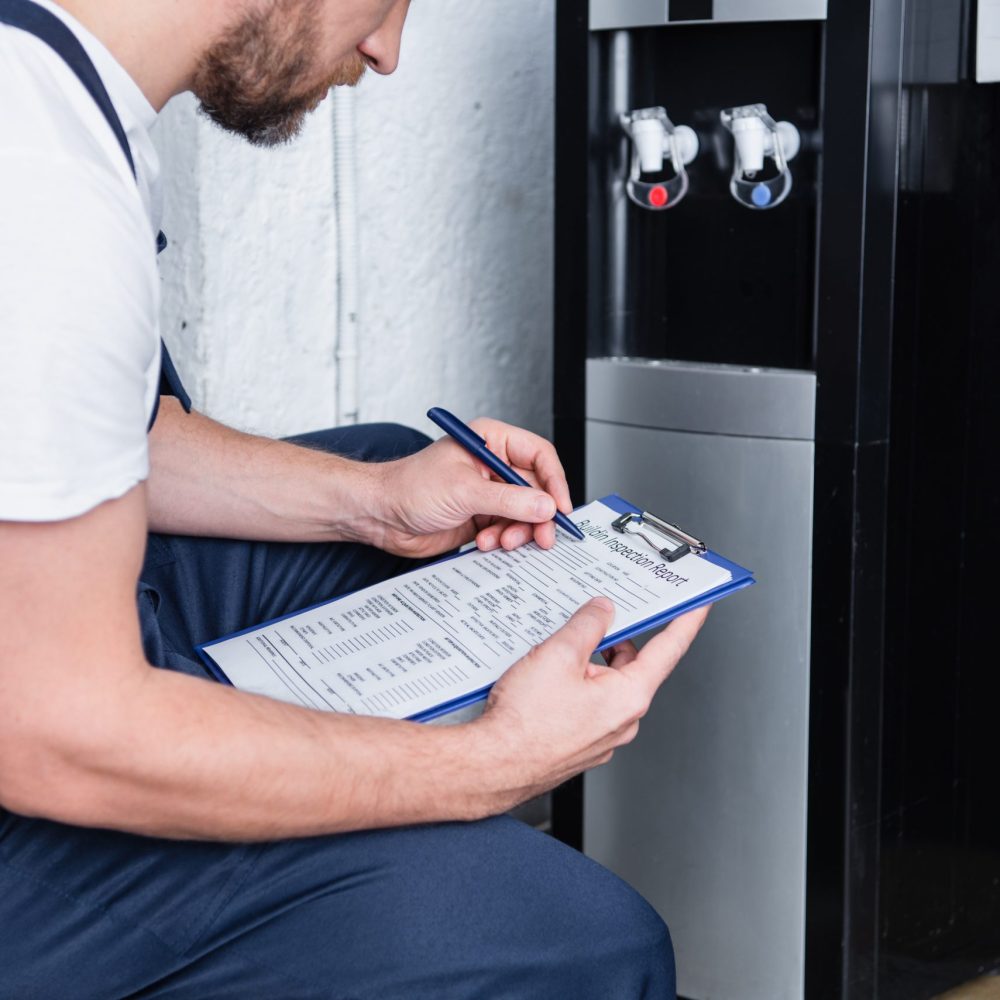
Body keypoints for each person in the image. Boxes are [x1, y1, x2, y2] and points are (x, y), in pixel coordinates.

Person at [0, 0, 708, 995]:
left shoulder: (52, 81)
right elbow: (58, 736)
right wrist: (489, 764)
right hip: (33, 780)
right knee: (588, 939)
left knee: (394, 495)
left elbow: (88, 430)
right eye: (390, 3)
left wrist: (376, 497)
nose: (385, 51)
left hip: (49, 671)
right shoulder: (38, 183)